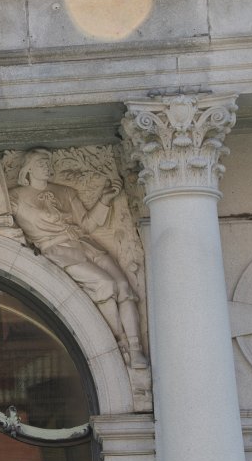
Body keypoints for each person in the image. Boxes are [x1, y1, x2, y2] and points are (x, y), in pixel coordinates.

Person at [9, 150, 148, 368]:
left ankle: (135, 347)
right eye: (40, 163)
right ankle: (118, 345)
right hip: (58, 252)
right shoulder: (16, 197)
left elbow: (86, 225)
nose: (46, 166)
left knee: (123, 285)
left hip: (85, 245)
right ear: (28, 169)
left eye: (47, 162)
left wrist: (104, 200)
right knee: (105, 284)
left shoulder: (65, 192)